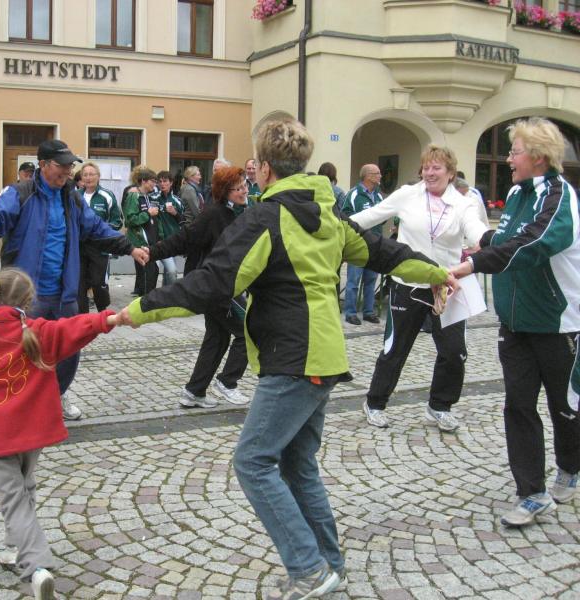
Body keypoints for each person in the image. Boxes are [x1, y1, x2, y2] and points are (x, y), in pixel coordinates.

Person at [119, 118, 457, 599]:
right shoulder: (328, 215)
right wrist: (437, 272)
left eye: (255, 167)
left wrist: (139, 309)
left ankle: (309, 569)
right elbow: (385, 253)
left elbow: (214, 282)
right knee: (298, 464)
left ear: (265, 169)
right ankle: (329, 564)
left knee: (252, 461)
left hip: (294, 359)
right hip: (320, 355)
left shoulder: (266, 218)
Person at [0, 268, 120, 600]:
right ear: (28, 302)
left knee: (14, 499)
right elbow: (75, 328)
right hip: (33, 434)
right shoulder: (38, 333)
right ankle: (13, 547)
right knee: (25, 486)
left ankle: (36, 566)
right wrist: (109, 319)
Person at [0, 139, 147, 421]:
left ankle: (56, 395)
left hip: (64, 294)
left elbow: (96, 228)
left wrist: (129, 247)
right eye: (63, 166)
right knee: (21, 353)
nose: (69, 171)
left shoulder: (71, 198)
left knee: (69, 349)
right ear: (44, 165)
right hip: (26, 297)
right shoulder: (21, 193)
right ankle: (21, 406)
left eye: (71, 166)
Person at [450, 117, 579, 527]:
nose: (508, 159)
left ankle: (570, 467)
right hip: (515, 323)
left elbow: (535, 243)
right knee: (519, 406)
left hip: (558, 324)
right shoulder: (516, 193)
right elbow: (507, 239)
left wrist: (475, 265)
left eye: (515, 151)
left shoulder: (559, 195)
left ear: (538, 156)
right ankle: (532, 493)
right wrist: (481, 242)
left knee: (566, 407)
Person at [349, 145, 489, 432]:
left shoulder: (463, 203)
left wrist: (491, 241)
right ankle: (375, 403)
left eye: (436, 167)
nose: (429, 172)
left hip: (447, 286)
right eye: (426, 167)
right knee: (395, 349)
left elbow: (475, 230)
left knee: (454, 352)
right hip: (408, 284)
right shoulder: (408, 195)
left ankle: (440, 406)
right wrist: (335, 226)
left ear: (450, 173)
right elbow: (370, 216)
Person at [148, 166, 250, 407]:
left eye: (245, 185)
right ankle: (227, 382)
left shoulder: (238, 212)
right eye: (239, 188)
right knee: (249, 330)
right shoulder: (214, 214)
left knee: (217, 338)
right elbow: (185, 238)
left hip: (224, 285)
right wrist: (152, 252)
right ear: (225, 191)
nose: (244, 191)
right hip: (218, 286)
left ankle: (194, 391)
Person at [76, 161, 122, 313]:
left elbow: (117, 221)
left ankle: (103, 311)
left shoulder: (106, 196)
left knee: (97, 282)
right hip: (80, 246)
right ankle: (83, 317)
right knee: (80, 284)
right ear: (81, 178)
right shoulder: (75, 196)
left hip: (99, 247)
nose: (88, 178)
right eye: (85, 175)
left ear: (98, 176)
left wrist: (103, 231)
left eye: (91, 174)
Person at [340, 164, 384, 325]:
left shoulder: (379, 196)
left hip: (375, 243)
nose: (380, 176)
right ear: (368, 176)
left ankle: (368, 311)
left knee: (371, 280)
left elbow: (383, 216)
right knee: (354, 280)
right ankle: (351, 312)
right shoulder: (354, 194)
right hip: (358, 243)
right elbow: (345, 215)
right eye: (377, 173)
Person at [123, 166, 160, 296]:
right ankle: (145, 301)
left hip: (149, 240)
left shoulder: (146, 196)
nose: (155, 184)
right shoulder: (134, 196)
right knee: (149, 273)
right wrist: (148, 214)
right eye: (152, 181)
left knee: (151, 272)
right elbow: (130, 220)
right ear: (143, 181)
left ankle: (145, 298)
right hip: (140, 240)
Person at [151, 170, 183, 286]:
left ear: (171, 183)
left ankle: (165, 294)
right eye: (160, 181)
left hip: (173, 241)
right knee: (172, 271)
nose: (162, 184)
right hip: (159, 241)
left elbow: (183, 221)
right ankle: (172, 294)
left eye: (165, 181)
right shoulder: (153, 198)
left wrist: (175, 213)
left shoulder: (177, 201)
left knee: (168, 273)